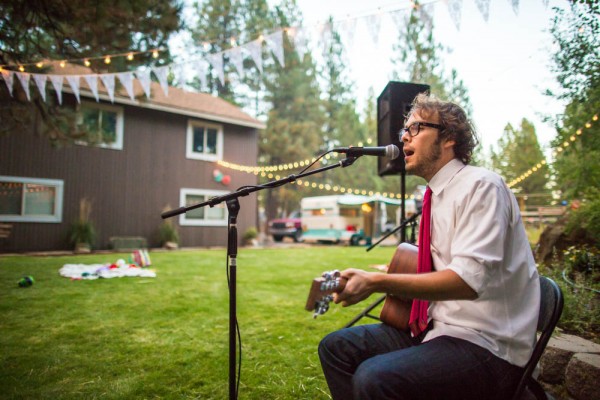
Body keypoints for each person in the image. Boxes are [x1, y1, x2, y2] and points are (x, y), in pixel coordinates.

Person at [318, 93, 540, 400]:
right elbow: (444, 265)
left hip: (489, 344)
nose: (404, 139)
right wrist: (383, 273)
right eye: (403, 132)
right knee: (335, 348)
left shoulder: (481, 187)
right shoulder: (435, 196)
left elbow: (467, 281)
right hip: (438, 330)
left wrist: (378, 282)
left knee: (374, 378)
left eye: (415, 128)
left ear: (448, 137)